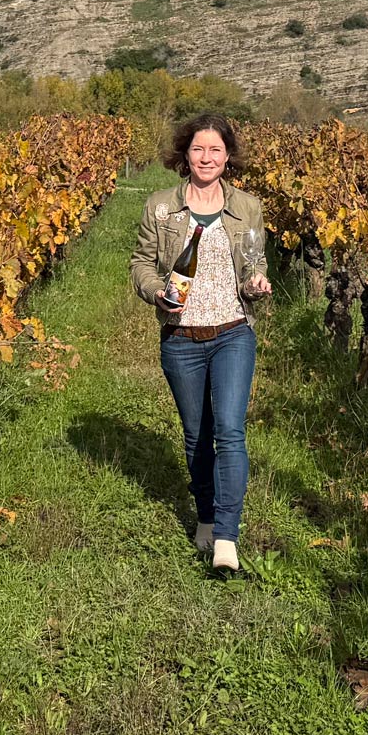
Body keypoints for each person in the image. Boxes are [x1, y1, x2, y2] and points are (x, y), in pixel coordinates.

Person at [130, 111, 271, 571]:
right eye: (198, 149)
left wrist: (256, 284)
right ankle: (206, 515)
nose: (206, 157)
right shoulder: (160, 207)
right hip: (181, 337)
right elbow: (141, 264)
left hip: (233, 332)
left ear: (228, 156)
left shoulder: (247, 207)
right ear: (185, 155)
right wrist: (156, 292)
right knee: (198, 435)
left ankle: (226, 537)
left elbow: (255, 262)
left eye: (215, 149)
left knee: (229, 430)